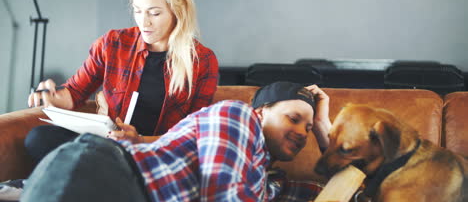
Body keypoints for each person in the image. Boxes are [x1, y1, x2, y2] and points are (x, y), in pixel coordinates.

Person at [0, 0, 218, 201]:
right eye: (138, 10)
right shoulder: (113, 43)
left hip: (153, 153)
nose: (144, 22)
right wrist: (51, 97)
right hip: (106, 146)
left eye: (154, 13)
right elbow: (73, 92)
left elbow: (195, 135)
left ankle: (71, 182)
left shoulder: (202, 61)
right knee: (38, 138)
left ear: (178, 10)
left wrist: (139, 140)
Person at [20, 81, 332, 202]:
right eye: (294, 119)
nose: (302, 134)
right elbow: (223, 194)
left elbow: (345, 192)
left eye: (308, 129)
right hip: (112, 175)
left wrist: (323, 128)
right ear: (262, 113)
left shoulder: (270, 181)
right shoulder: (238, 115)